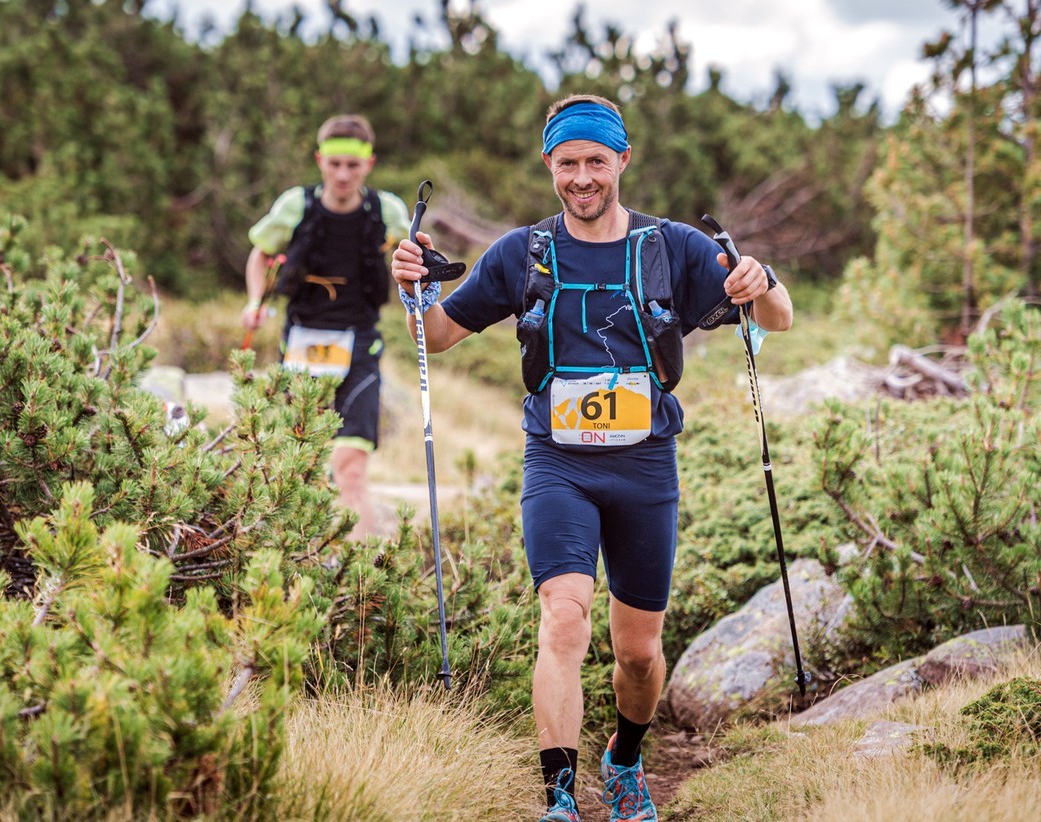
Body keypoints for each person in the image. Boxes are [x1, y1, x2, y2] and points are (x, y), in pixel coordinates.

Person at [390, 94, 793, 821]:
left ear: (621, 162)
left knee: (637, 652)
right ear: (550, 165)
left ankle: (628, 760)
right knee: (564, 620)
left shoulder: (671, 247)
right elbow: (440, 334)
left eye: (595, 162)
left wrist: (760, 283)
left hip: (645, 466)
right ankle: (559, 798)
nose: (582, 177)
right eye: (568, 162)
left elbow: (779, 317)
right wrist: (410, 287)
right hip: (558, 463)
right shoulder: (524, 251)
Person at [244, 114, 410, 540]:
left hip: (360, 347)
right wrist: (253, 303)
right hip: (300, 343)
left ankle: (361, 581)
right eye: (334, 163)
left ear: (369, 164)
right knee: (292, 465)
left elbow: (411, 260)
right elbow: (261, 253)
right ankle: (290, 561)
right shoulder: (295, 205)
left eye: (352, 166)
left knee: (351, 467)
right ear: (319, 160)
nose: (342, 174)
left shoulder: (386, 210)